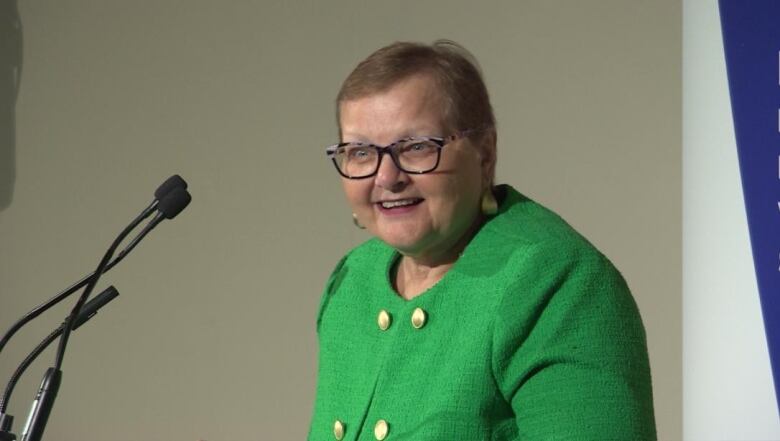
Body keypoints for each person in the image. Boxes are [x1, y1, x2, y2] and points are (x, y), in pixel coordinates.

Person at [308, 40, 656, 441]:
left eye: (417, 147)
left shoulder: (558, 282)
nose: (387, 177)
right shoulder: (353, 282)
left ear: (485, 153)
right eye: (361, 152)